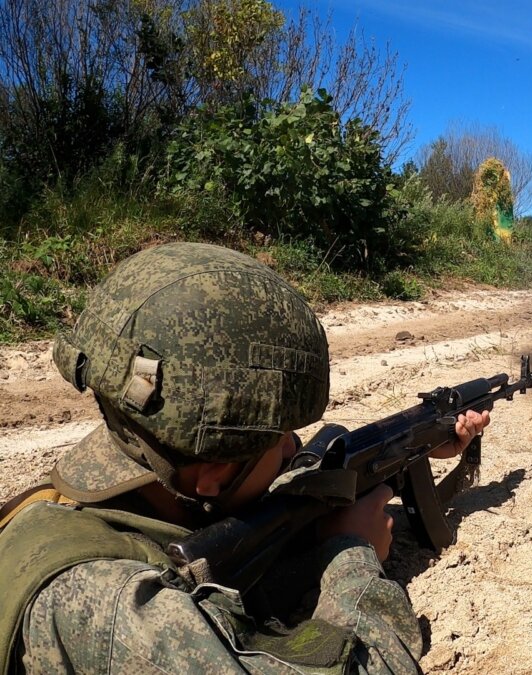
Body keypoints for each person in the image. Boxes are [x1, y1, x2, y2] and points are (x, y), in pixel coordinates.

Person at [0, 242, 489, 673]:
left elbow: (264, 490)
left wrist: (420, 446)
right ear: (213, 473)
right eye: (279, 441)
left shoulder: (93, 494)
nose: (293, 448)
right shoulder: (116, 613)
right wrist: (352, 555)